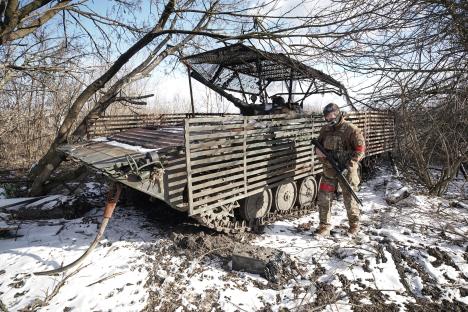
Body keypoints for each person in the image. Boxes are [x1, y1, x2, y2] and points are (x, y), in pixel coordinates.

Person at [314, 103, 365, 236]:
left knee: (349, 198)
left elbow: (360, 151)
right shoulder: (325, 130)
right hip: (329, 170)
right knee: (324, 197)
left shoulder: (351, 129)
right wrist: (319, 153)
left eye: (331, 116)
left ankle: (354, 225)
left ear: (338, 114)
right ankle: (324, 226)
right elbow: (318, 147)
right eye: (326, 117)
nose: (328, 119)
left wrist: (349, 166)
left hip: (346, 171)